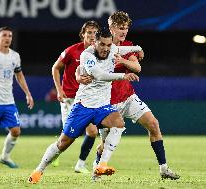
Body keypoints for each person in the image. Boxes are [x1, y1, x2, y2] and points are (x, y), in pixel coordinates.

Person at [28, 28, 142, 184]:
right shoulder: (86, 55)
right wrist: (123, 75)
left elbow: (122, 49)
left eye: (109, 45)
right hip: (83, 107)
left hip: (102, 107)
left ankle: (101, 165)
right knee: (63, 143)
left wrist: (138, 48)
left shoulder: (112, 49)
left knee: (119, 124)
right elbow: (99, 75)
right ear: (95, 43)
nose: (106, 48)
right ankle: (38, 171)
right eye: (102, 44)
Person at [92, 11, 180, 180]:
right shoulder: (100, 49)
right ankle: (97, 168)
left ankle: (164, 169)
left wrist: (122, 61)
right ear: (111, 28)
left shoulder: (128, 46)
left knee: (154, 124)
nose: (123, 32)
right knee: (105, 143)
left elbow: (137, 67)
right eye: (120, 28)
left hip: (128, 97)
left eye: (125, 28)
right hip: (107, 102)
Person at [51, 21, 100, 173]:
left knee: (92, 132)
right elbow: (55, 68)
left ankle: (80, 164)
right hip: (70, 98)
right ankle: (55, 152)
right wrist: (59, 90)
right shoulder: (72, 51)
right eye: (89, 32)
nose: (92, 36)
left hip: (87, 99)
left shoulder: (98, 53)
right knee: (70, 135)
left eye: (95, 33)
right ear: (83, 34)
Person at [0, 26, 34, 168]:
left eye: (10, 36)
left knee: (16, 131)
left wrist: (28, 94)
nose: (7, 38)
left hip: (8, 102)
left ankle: (4, 157)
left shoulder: (15, 56)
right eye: (4, 35)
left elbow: (19, 75)